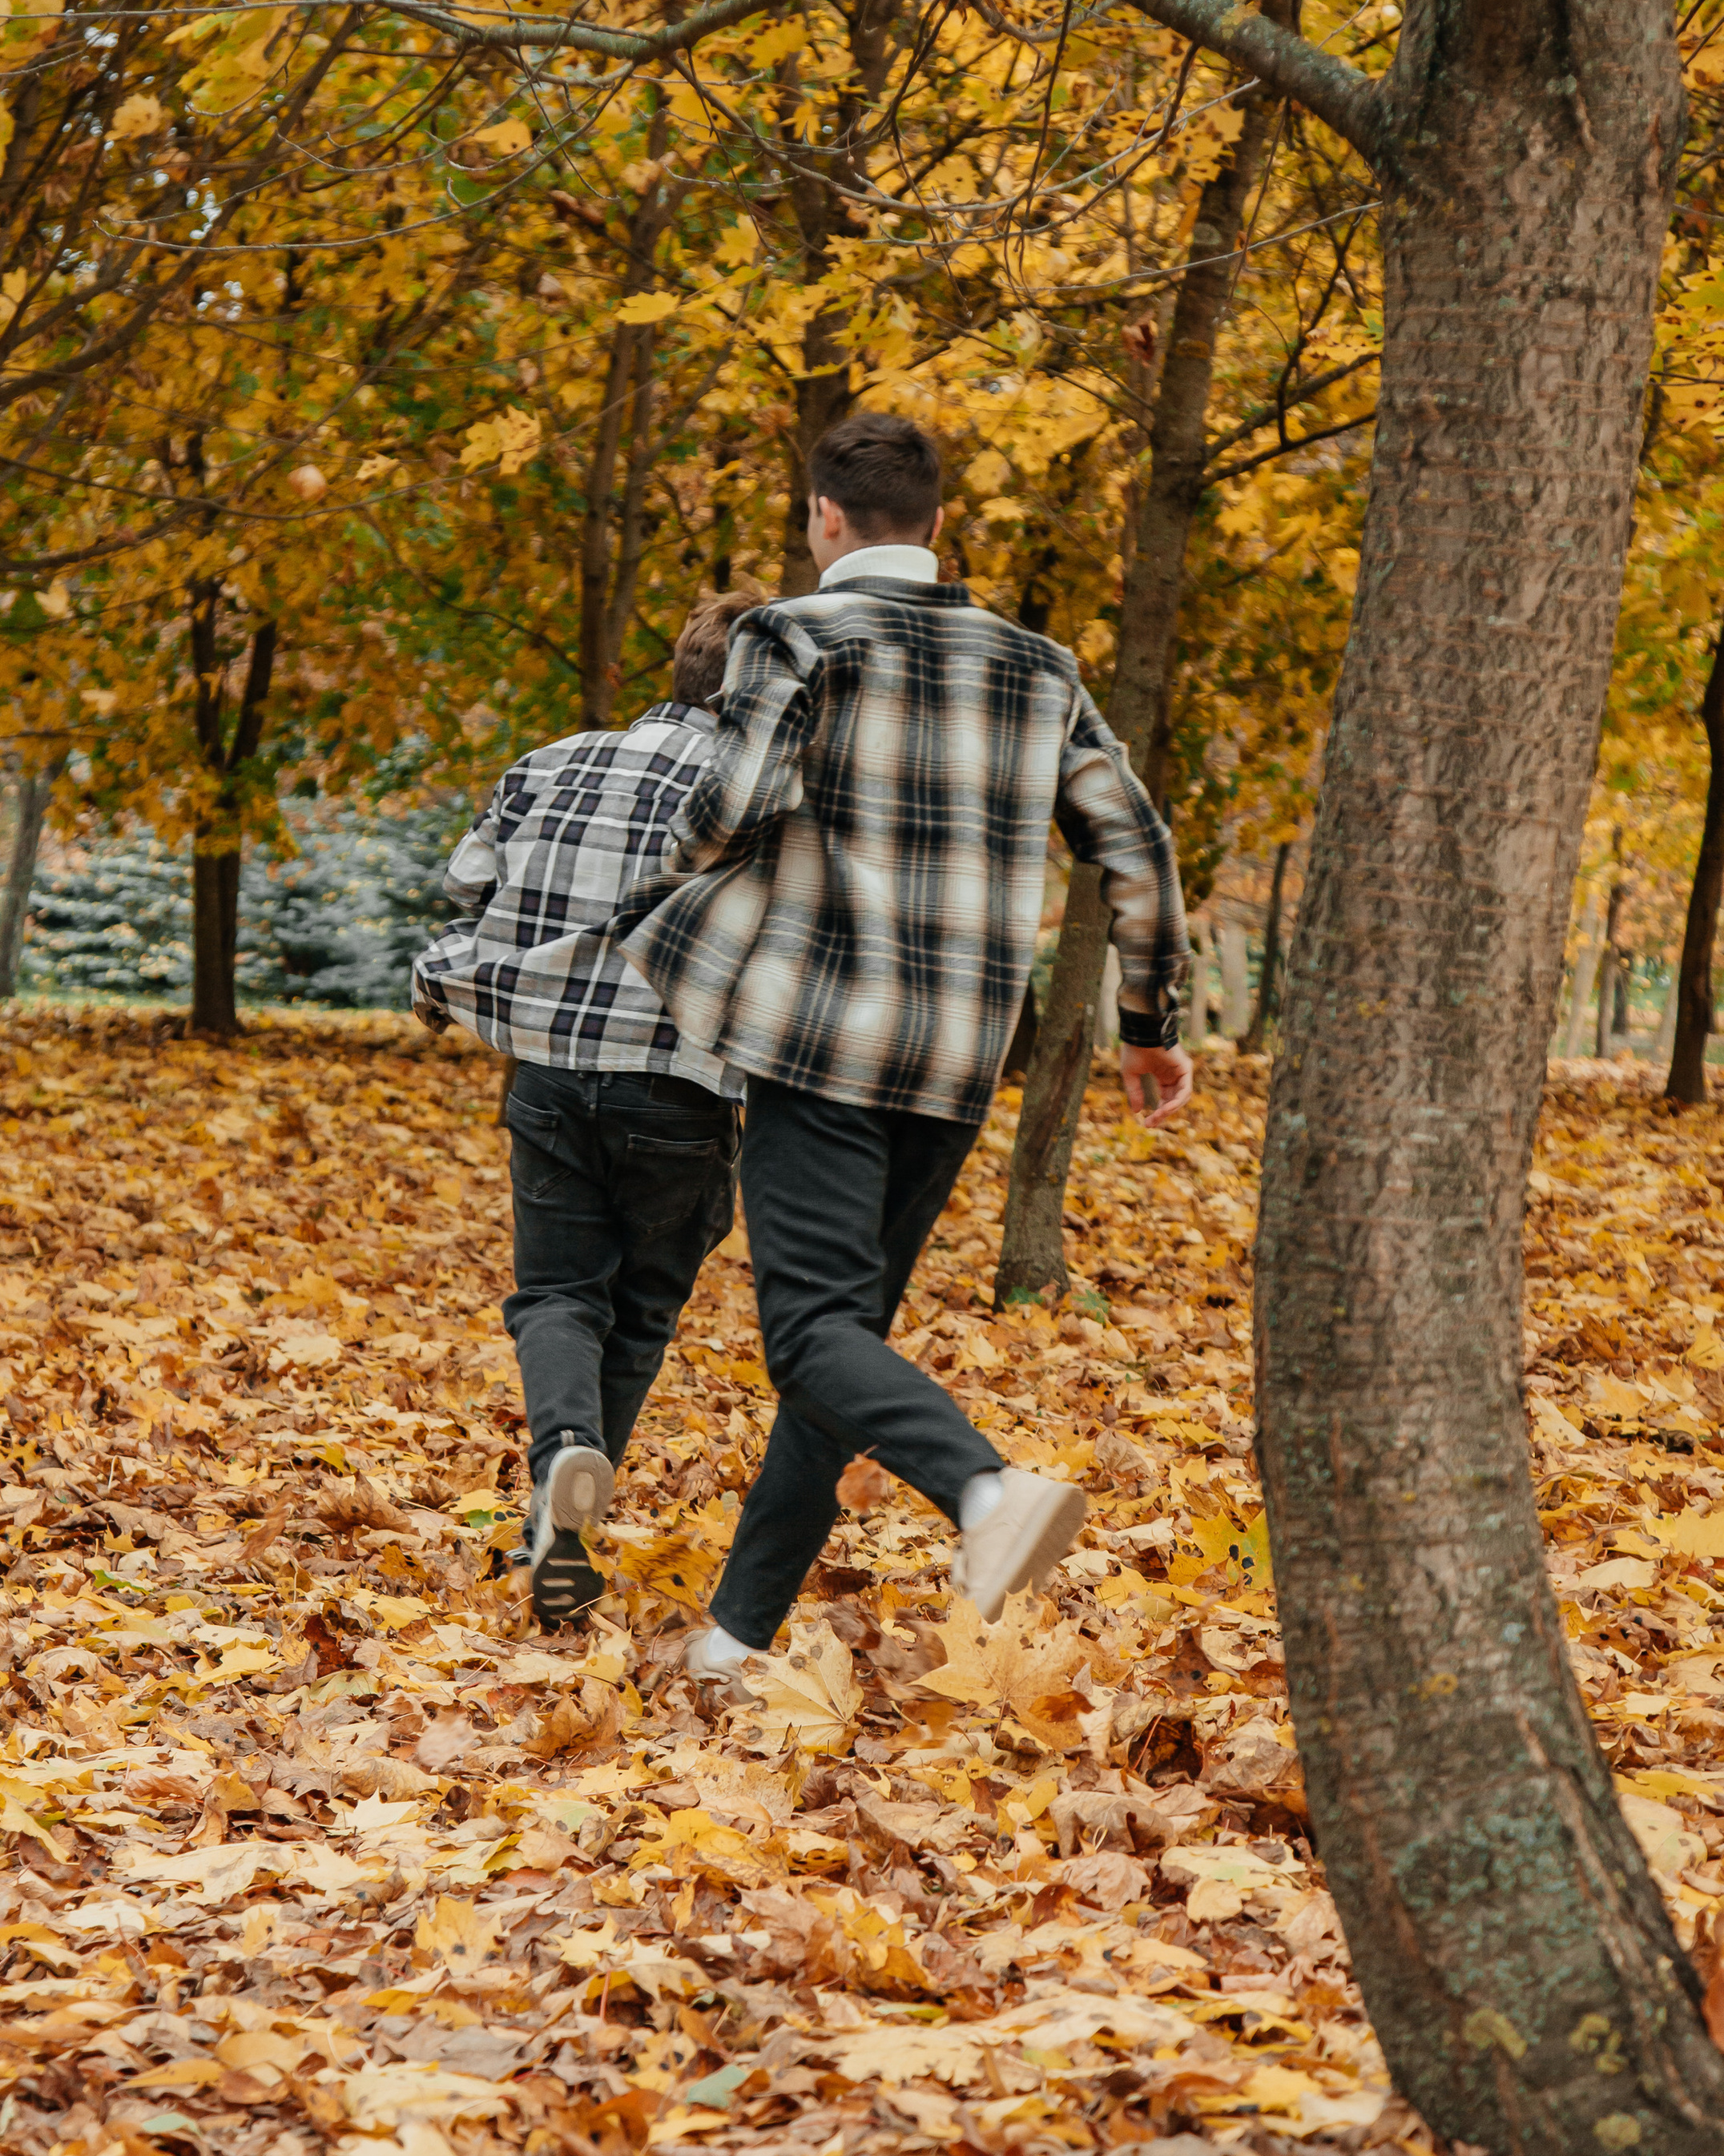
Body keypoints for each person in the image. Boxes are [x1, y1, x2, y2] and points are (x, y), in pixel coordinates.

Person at [611, 412, 1192, 1687]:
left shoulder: (794, 636)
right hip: (956, 1065)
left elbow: (728, 809)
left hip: (822, 1041)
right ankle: (736, 1638)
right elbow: (1133, 850)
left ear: (824, 517)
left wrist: (673, 877)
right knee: (846, 1344)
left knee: (813, 1331)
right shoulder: (1041, 669)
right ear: (938, 525)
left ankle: (986, 1493)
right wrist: (1146, 1029)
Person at [413, 593, 755, 1627]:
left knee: (559, 1294)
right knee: (642, 1309)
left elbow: (472, 885)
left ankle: (562, 1468)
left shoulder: (551, 762)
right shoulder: (766, 793)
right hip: (683, 1089)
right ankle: (561, 1516)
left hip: (552, 1076)